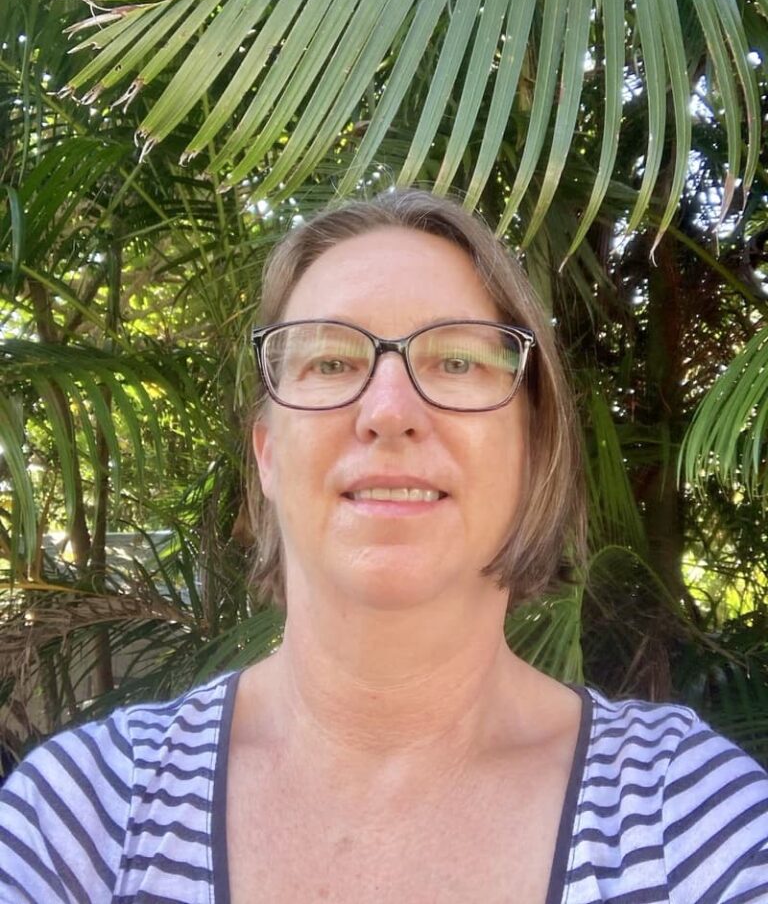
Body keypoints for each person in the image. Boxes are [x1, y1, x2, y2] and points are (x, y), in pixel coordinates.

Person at [1, 189, 767, 904]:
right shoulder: (83, 817)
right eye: (331, 362)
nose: (389, 411)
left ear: (533, 448)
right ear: (267, 453)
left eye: (458, 361)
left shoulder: (687, 821)